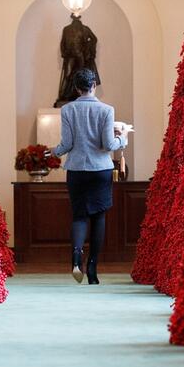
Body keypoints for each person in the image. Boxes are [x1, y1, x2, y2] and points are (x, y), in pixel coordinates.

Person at [50, 68, 127, 284]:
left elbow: (66, 145)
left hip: (76, 170)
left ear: (76, 88)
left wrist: (53, 151)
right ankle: (92, 268)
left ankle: (76, 257)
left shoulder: (67, 110)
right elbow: (108, 144)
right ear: (94, 86)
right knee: (99, 216)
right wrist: (123, 139)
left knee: (79, 215)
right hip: (100, 170)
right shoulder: (106, 110)